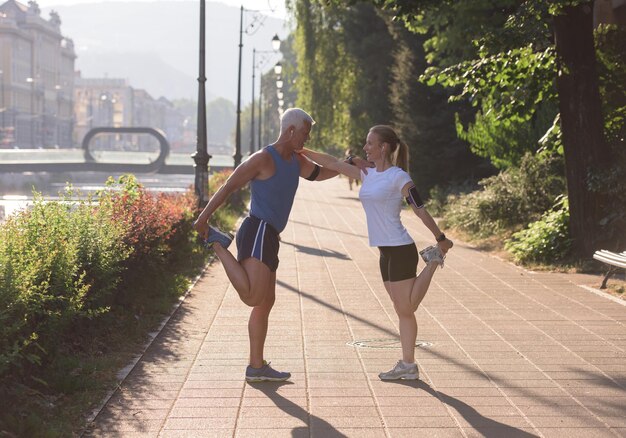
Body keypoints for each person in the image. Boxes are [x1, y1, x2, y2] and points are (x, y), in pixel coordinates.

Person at [193, 108, 350, 382]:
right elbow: (229, 186)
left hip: (271, 235)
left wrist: (346, 165)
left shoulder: (295, 161)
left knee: (266, 301)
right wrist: (203, 219)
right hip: (258, 230)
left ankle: (257, 366)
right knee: (253, 297)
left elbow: (319, 174)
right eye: (304, 132)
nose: (307, 138)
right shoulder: (264, 159)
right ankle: (218, 244)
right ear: (290, 130)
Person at [299, 125, 453, 381]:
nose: (365, 147)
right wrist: (301, 150)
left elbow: (420, 209)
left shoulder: (399, 177)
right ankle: (408, 364)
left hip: (401, 248)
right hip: (385, 252)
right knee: (402, 307)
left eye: (370, 143)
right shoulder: (367, 173)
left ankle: (435, 259)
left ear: (383, 147)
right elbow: (333, 163)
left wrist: (440, 237)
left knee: (406, 308)